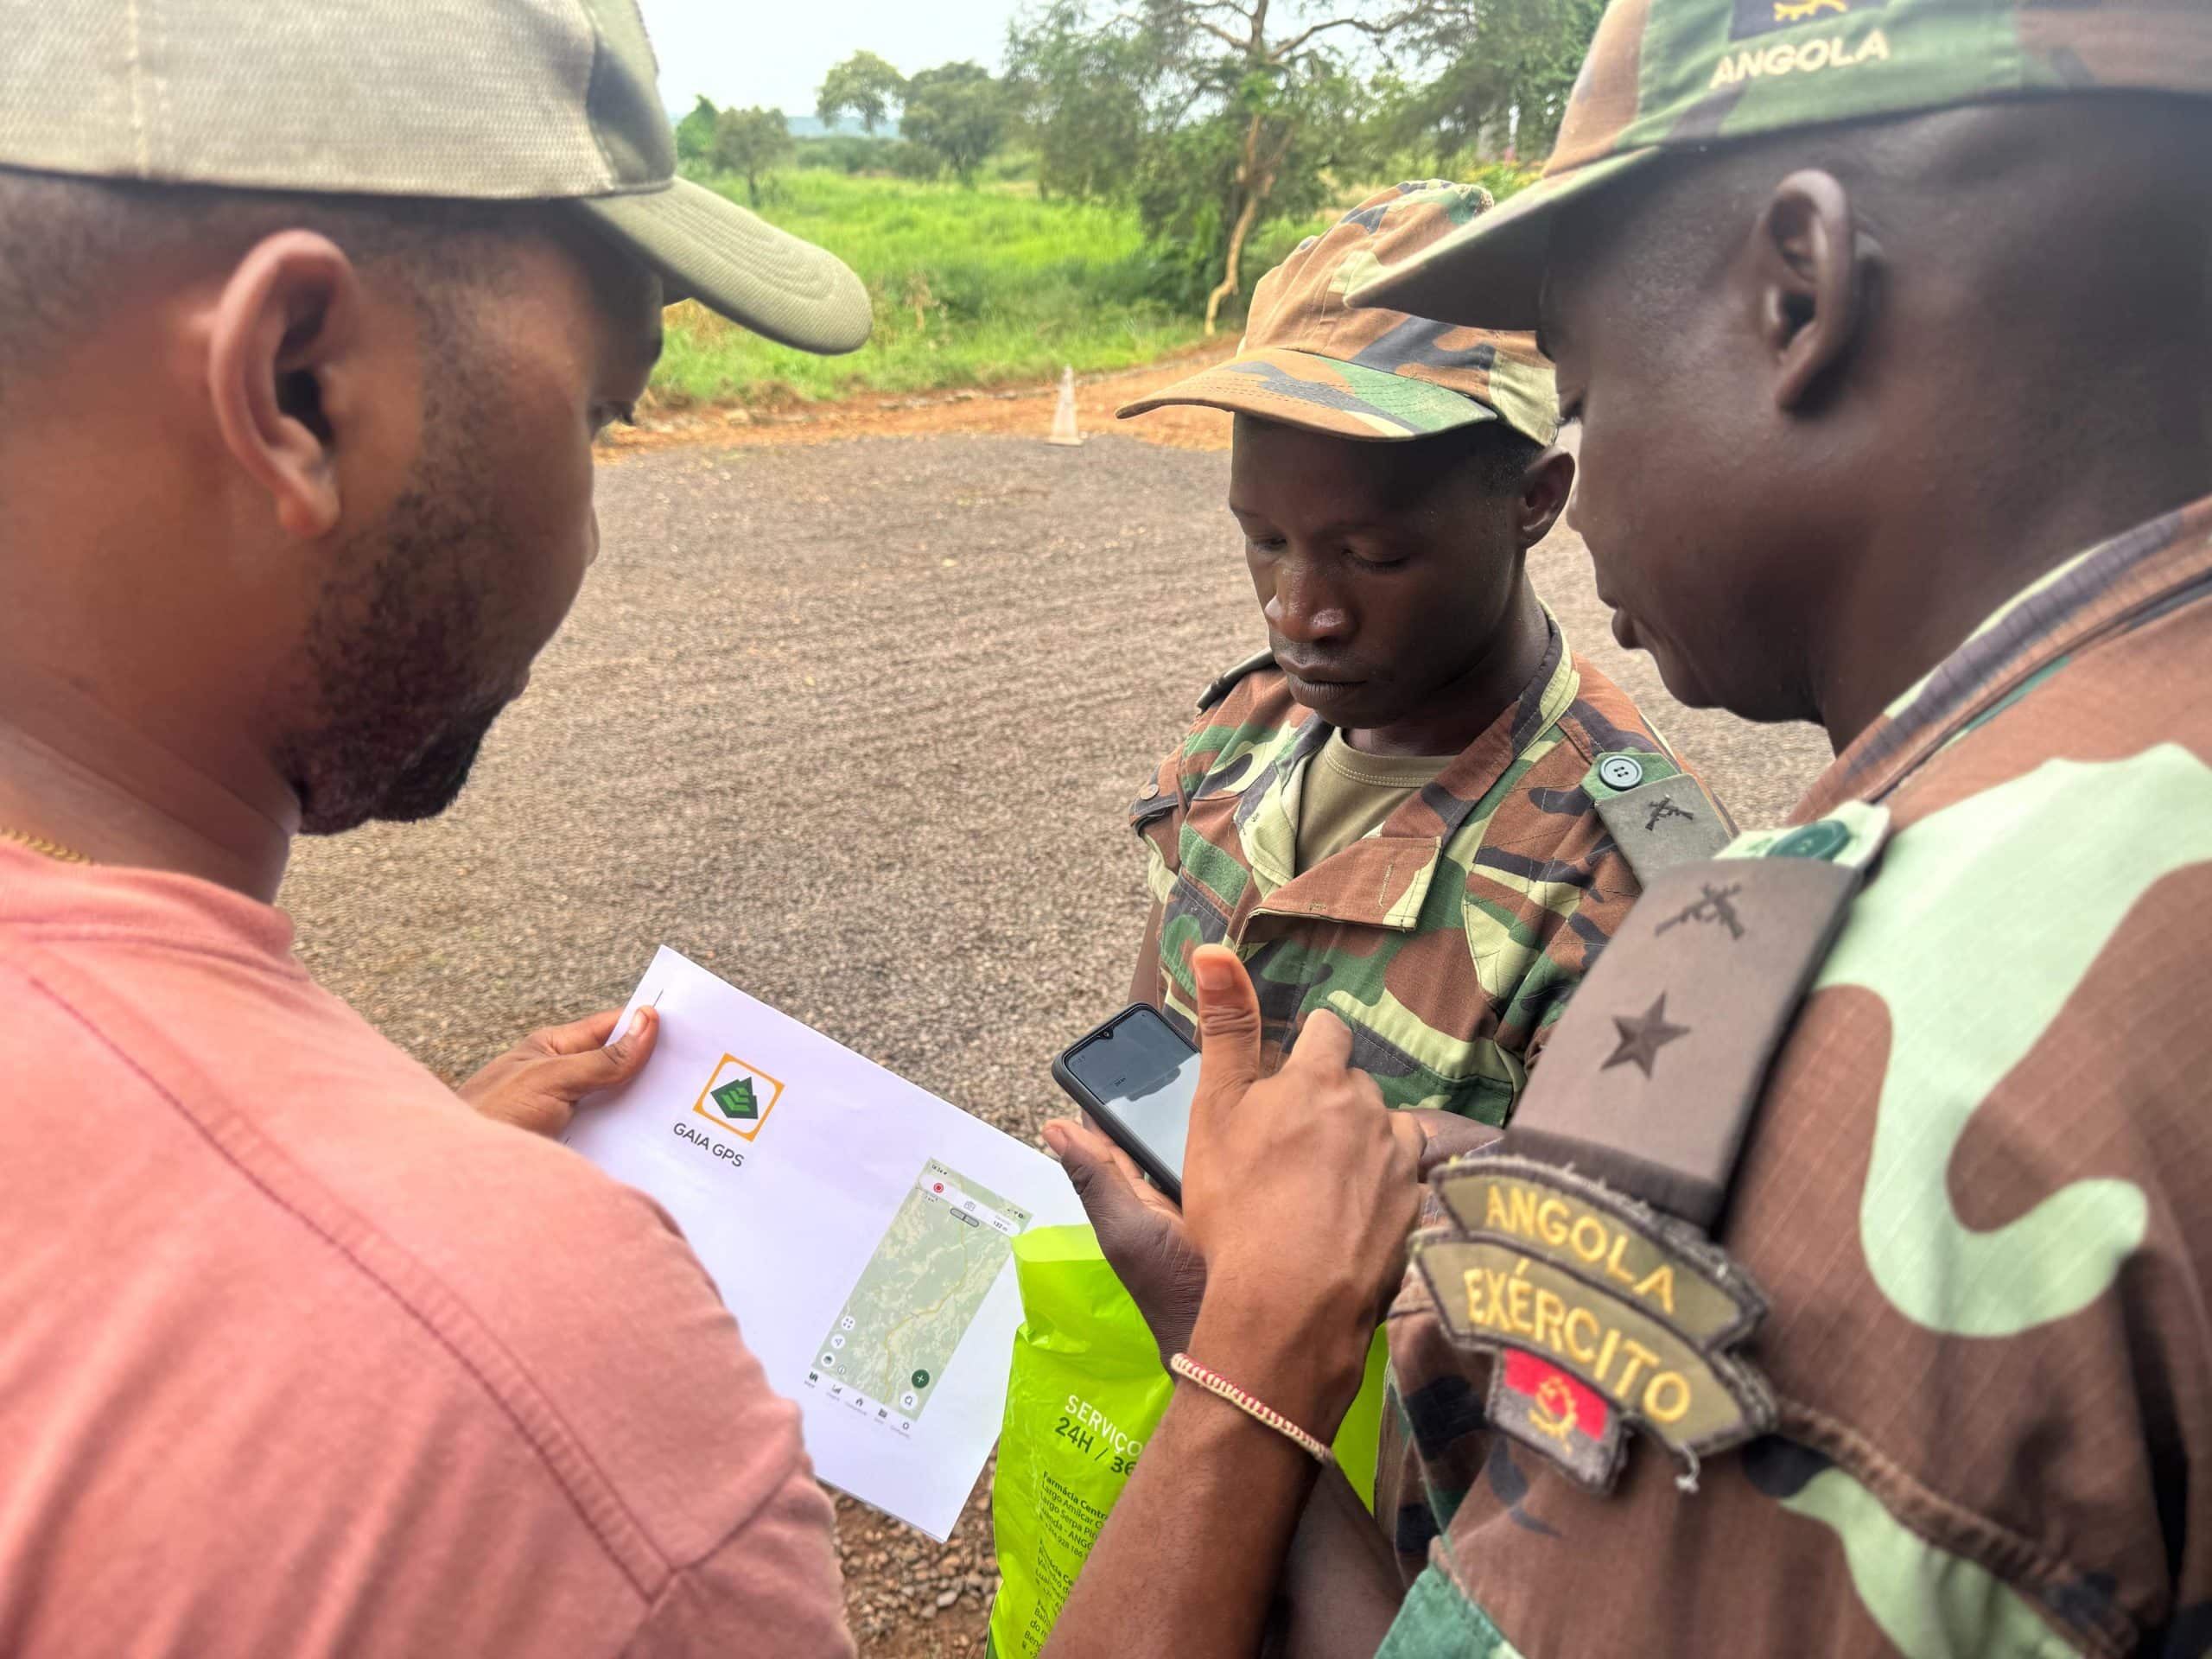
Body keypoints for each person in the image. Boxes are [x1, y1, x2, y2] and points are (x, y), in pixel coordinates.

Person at [1042, 0, 2212, 1653]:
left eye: (1587, 399)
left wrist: (1247, 1368)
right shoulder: (2126, 794)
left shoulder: (1803, 1026)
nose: (1305, 609)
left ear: (1797, 292)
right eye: (1267, 544)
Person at [0, 2, 871, 1653]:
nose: (590, 530)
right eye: (601, 413)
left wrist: (356, 1190)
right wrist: (1244, 1385)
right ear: (296, 382)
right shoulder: (548, 1402)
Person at [1117, 180, 1729, 1125]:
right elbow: (1141, 1069)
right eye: (1264, 538)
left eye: (1372, 555)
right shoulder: (1244, 725)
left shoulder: (1629, 883)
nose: (1297, 613)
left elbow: (1587, 1217)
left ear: (1535, 500)